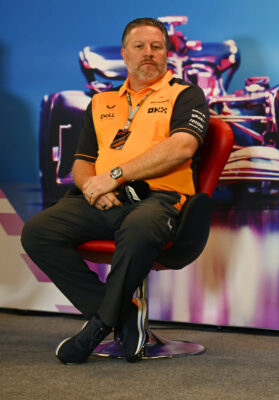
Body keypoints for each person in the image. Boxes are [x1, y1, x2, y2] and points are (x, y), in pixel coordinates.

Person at [21, 17, 209, 364]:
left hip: (161, 200)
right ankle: (124, 315)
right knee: (37, 232)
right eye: (139, 46)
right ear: (124, 54)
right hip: (104, 199)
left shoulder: (186, 95)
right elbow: (82, 162)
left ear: (168, 53)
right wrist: (92, 188)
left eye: (156, 47)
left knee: (139, 227)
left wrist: (116, 175)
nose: (148, 54)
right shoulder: (101, 103)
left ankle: (97, 327)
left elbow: (182, 146)